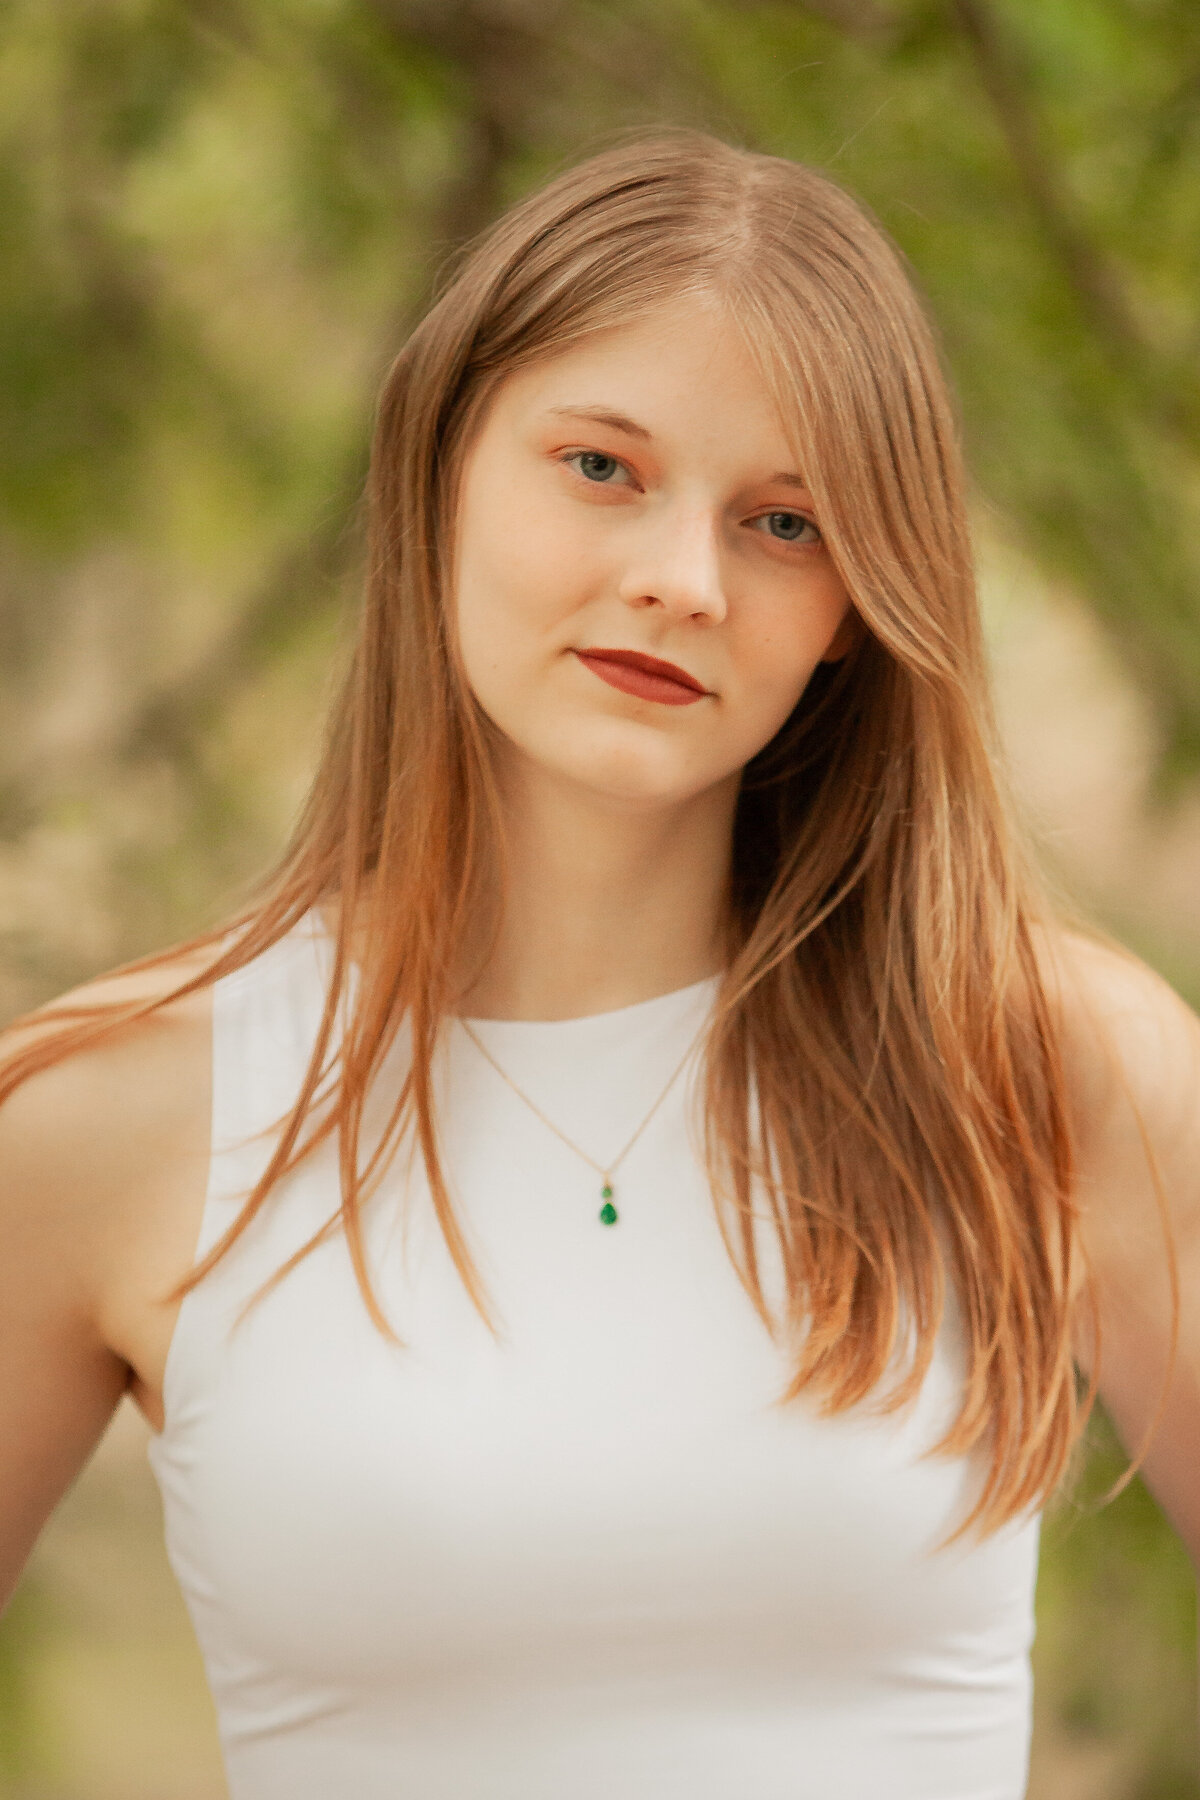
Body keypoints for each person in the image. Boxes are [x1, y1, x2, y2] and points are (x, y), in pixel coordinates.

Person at [0, 130, 1196, 1800]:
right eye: (601, 468)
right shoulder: (116, 1114)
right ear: (438, 474)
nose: (680, 583)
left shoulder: (1049, 1062)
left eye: (786, 521)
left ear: (860, 602)